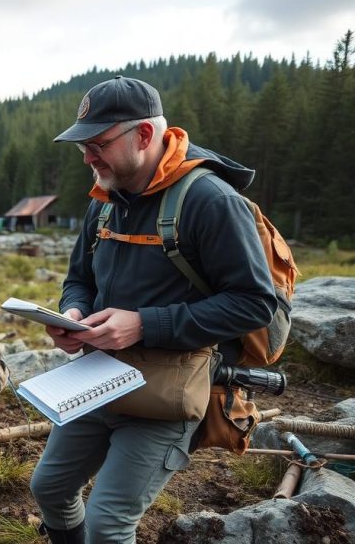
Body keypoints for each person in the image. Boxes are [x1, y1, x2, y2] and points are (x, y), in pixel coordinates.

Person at [29, 76, 277, 543]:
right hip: (95, 378)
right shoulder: (104, 199)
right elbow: (79, 279)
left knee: (107, 525)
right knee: (50, 487)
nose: (86, 157)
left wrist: (144, 324)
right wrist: (73, 314)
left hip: (168, 391)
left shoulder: (211, 201)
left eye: (97, 144)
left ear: (144, 135)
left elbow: (255, 303)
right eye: (82, 145)